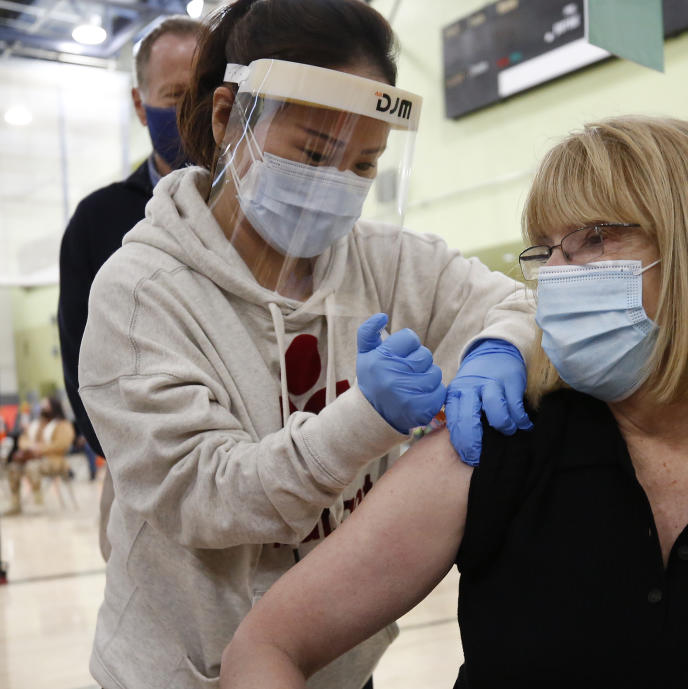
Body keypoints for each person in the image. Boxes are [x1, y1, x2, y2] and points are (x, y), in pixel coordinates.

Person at [220, 117, 688, 689]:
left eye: (594, 238)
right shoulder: (496, 446)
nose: (557, 276)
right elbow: (267, 646)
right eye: (547, 249)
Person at [77, 1, 535, 688]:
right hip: (176, 671)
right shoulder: (142, 292)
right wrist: (362, 420)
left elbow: (513, 303)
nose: (336, 185)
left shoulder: (384, 261)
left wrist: (499, 348)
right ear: (230, 117)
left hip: (336, 663)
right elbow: (205, 492)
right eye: (315, 153)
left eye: (364, 165)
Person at [58, 15, 202, 558]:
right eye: (175, 94)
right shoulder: (99, 220)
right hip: (136, 475)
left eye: (206, 91)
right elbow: (79, 361)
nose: (193, 109)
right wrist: (128, 458)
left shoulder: (254, 214)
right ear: (141, 105)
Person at [4, 397, 75, 516]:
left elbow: (62, 444)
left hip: (54, 460)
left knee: (32, 466)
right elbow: (23, 439)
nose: (42, 408)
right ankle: (15, 505)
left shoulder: (63, 424)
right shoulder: (36, 424)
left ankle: (38, 500)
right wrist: (30, 447)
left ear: (53, 407)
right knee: (13, 467)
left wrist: (40, 449)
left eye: (45, 406)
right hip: (32, 458)